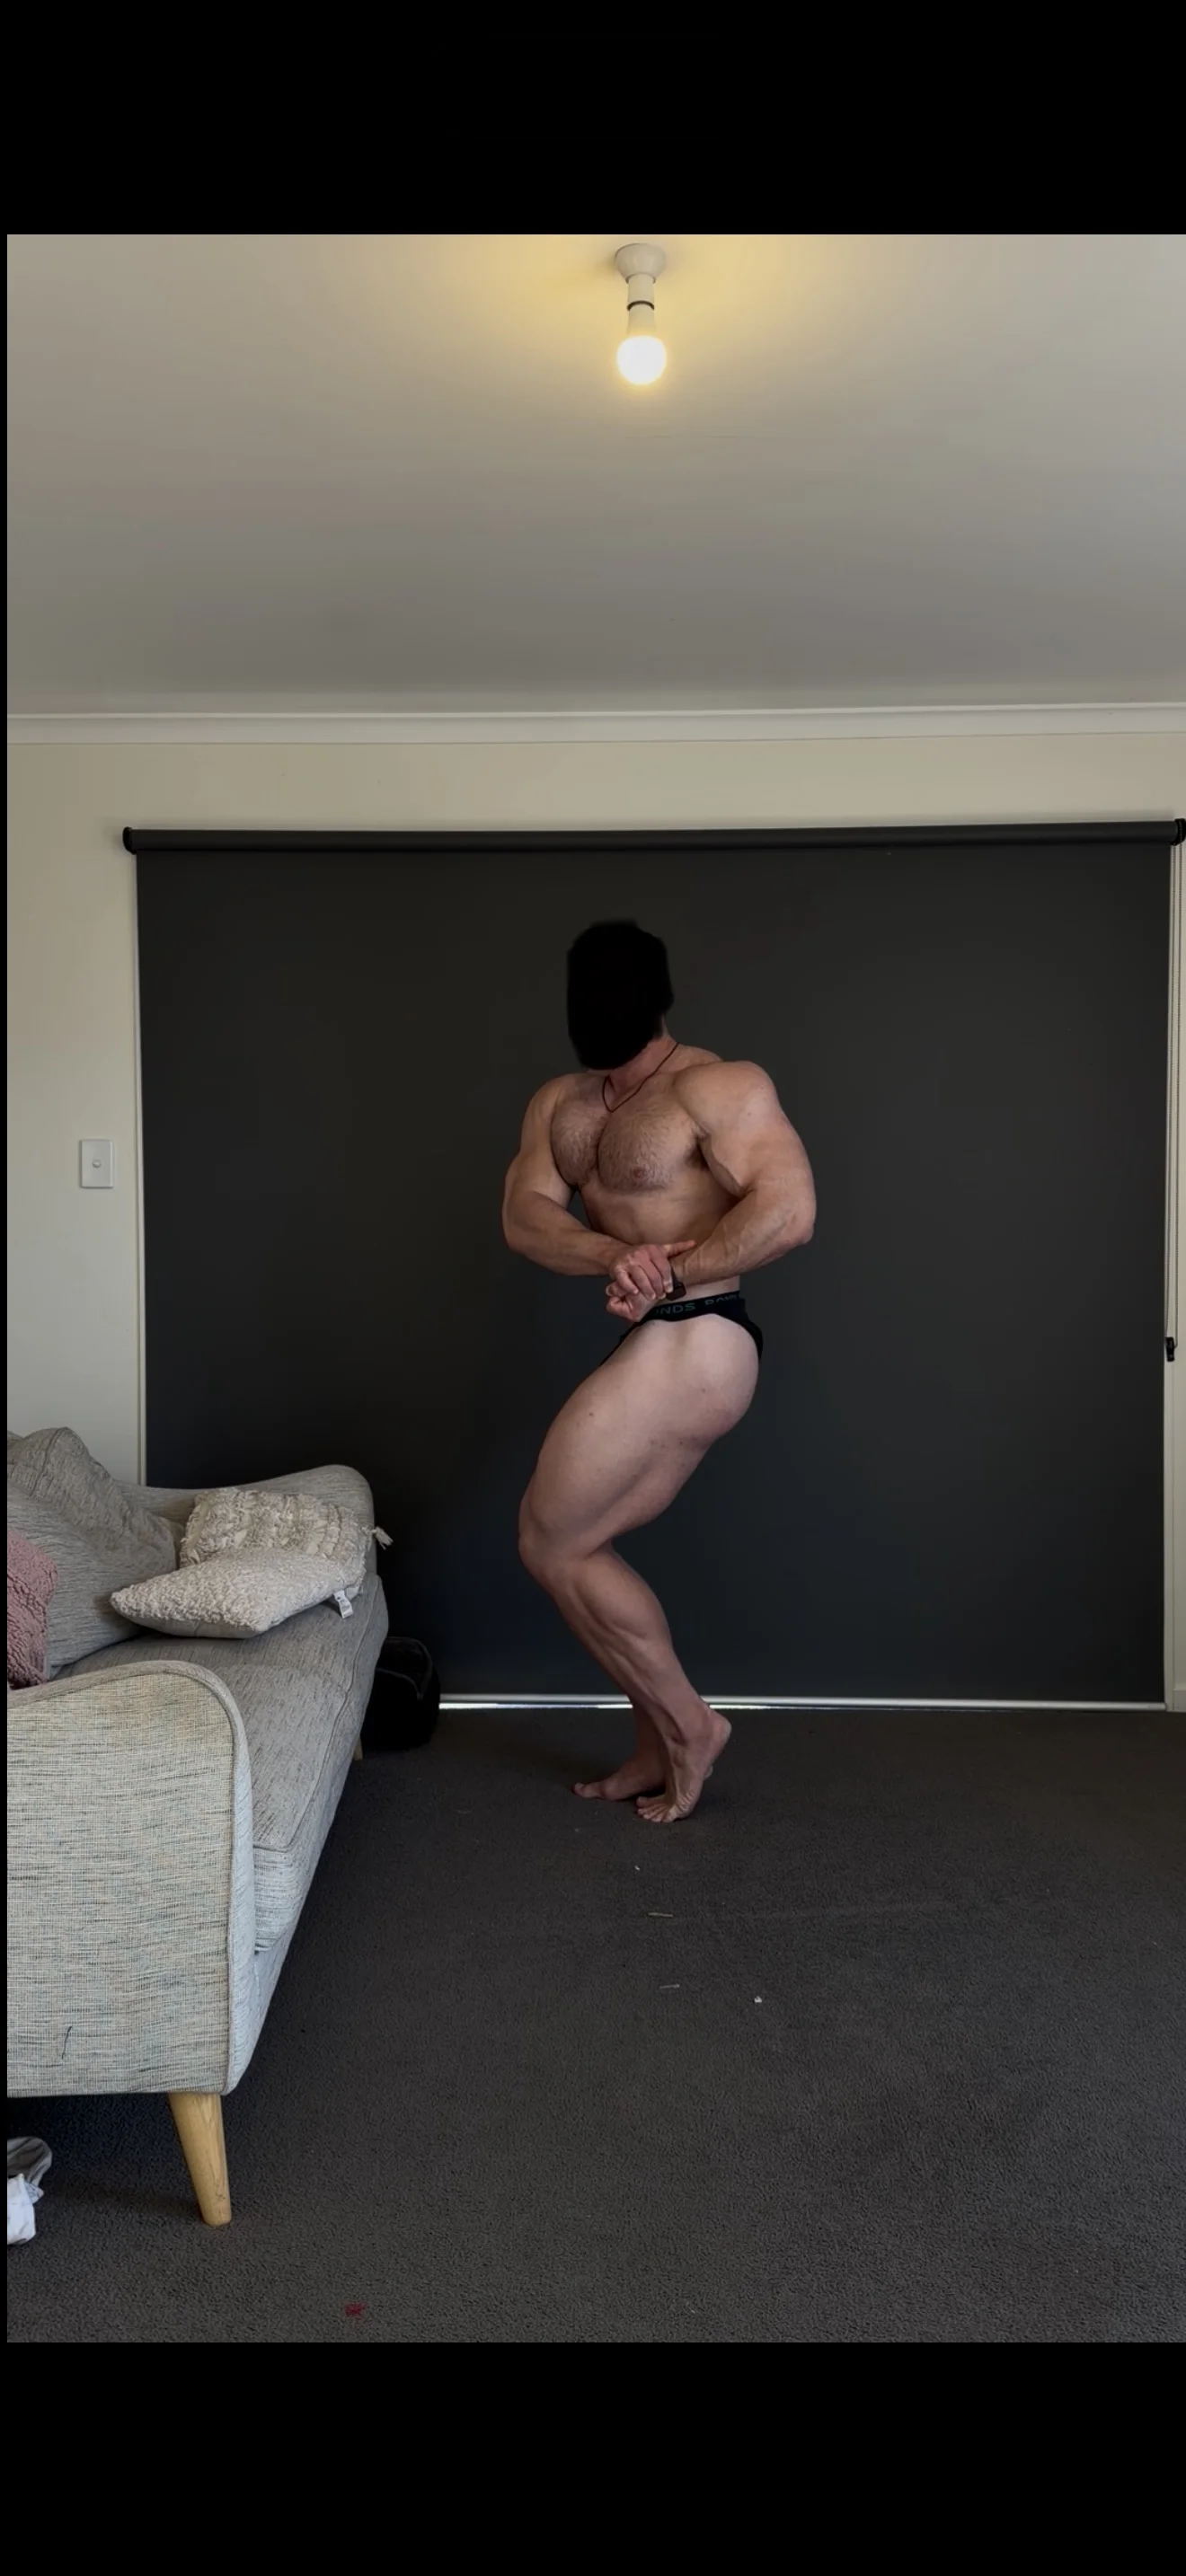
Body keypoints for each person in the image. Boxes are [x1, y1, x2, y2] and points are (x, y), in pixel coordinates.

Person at [502, 920, 816, 1823]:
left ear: (654, 999)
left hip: (703, 1329)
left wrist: (673, 1272)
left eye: (613, 993)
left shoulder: (716, 1085)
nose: (595, 1010)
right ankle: (654, 1742)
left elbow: (790, 1210)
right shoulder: (559, 1104)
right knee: (567, 1543)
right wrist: (615, 1255)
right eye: (584, 993)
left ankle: (690, 1727)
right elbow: (526, 1217)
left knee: (553, 1540)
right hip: (652, 1335)